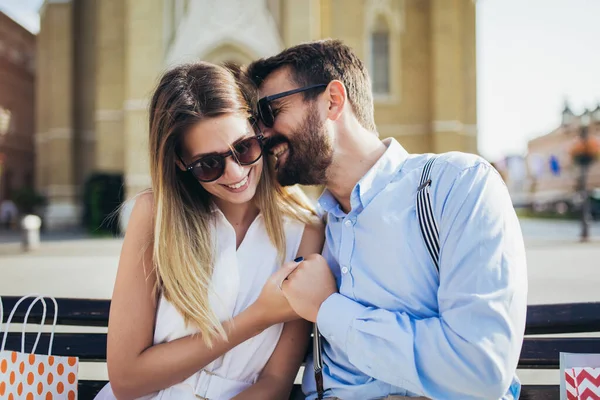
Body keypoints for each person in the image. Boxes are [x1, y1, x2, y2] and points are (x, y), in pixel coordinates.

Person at [248, 39, 528, 400]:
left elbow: (479, 369)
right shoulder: (312, 229)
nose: (262, 133)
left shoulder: (456, 185)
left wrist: (329, 309)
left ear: (333, 100)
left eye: (270, 112)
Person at [94, 61, 324, 400]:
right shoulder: (155, 214)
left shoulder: (305, 229)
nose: (235, 173)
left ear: (257, 129)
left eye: (244, 148)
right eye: (209, 164)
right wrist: (258, 317)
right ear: (179, 163)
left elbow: (274, 384)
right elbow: (127, 380)